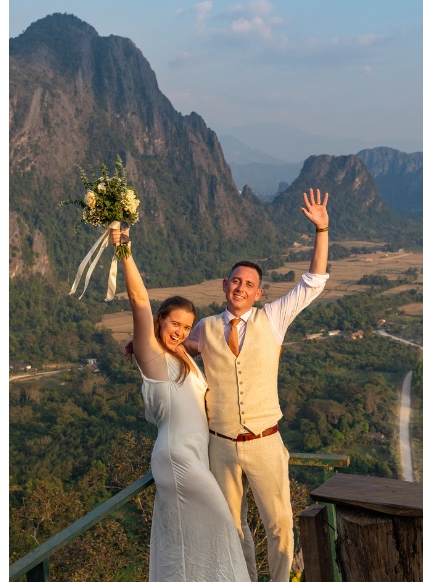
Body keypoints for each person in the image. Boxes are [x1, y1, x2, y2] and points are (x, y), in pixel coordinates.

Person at [187, 190, 331, 582]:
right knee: (231, 528)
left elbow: (313, 282)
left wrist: (322, 229)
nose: (240, 287)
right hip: (220, 443)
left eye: (248, 284)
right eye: (235, 281)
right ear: (224, 285)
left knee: (280, 525)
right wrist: (139, 341)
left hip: (265, 441)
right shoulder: (205, 328)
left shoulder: (273, 319)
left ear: (258, 293)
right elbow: (170, 349)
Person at [112, 224, 249, 582]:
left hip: (196, 455)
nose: (180, 332)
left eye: (186, 327)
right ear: (160, 321)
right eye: (174, 323)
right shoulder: (153, 356)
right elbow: (139, 301)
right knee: (221, 523)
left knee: (195, 542)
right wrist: (124, 251)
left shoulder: (181, 355)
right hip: (177, 458)